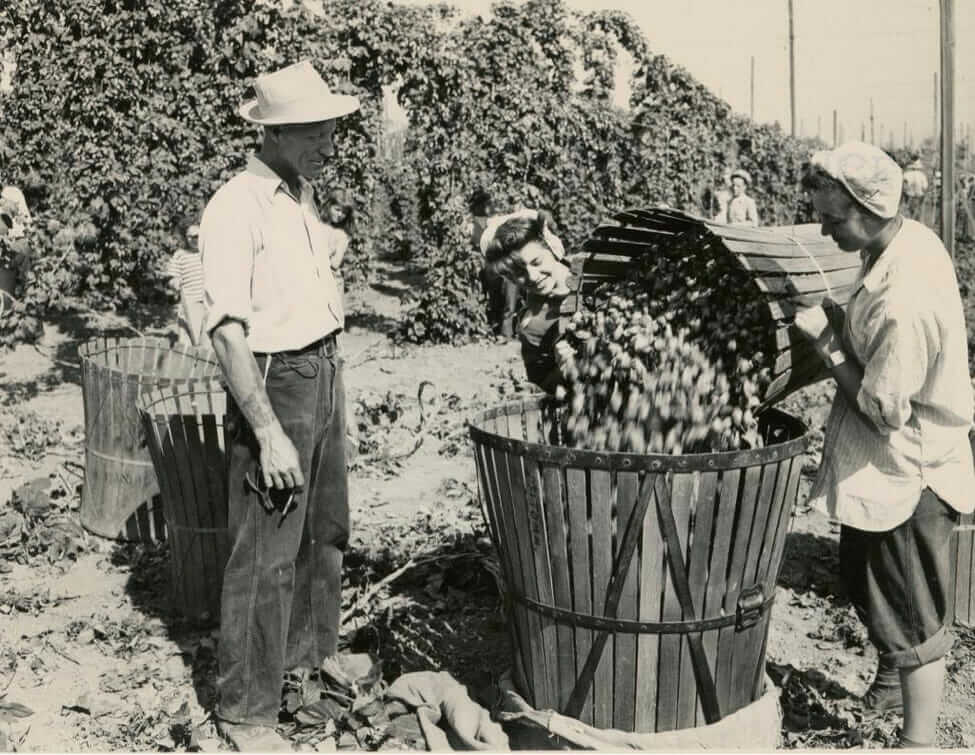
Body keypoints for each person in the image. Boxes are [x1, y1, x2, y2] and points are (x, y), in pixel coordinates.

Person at [198, 60, 359, 753]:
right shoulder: (235, 204)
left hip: (321, 369)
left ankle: (301, 674)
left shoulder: (298, 194)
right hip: (276, 381)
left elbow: (300, 279)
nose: (330, 141)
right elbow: (228, 333)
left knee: (322, 538)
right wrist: (267, 431)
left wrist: (329, 252)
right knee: (264, 553)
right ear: (278, 131)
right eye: (318, 130)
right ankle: (245, 709)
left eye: (331, 127)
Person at [795, 141, 975, 749]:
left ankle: (919, 742)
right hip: (888, 465)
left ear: (870, 210)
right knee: (870, 579)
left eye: (833, 219)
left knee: (915, 611)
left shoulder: (906, 295)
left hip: (911, 469)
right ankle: (894, 682)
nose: (823, 228)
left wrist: (829, 347)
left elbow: (882, 410)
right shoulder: (899, 241)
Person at [480, 208, 571, 392]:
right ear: (511, 279)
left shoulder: (597, 274)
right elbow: (540, 387)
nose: (533, 276)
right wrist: (564, 372)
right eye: (520, 273)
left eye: (537, 262)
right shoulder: (533, 325)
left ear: (551, 248)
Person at [469, 189, 520, 338]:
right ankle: (502, 329)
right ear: (477, 206)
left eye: (489, 203)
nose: (489, 207)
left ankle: (507, 330)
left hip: (499, 264)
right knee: (507, 284)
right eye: (486, 204)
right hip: (485, 266)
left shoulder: (494, 221)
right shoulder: (471, 225)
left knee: (512, 280)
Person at [165, 215, 208, 347]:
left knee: (207, 338)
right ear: (185, 237)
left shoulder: (208, 252)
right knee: (188, 337)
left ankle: (206, 362)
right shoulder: (180, 255)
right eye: (190, 236)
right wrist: (175, 282)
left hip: (208, 301)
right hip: (190, 302)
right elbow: (172, 277)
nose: (194, 240)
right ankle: (188, 361)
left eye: (197, 236)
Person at [322, 187, 355, 296]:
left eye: (344, 212)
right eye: (337, 209)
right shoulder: (317, 225)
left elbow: (335, 263)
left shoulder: (341, 235)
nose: (340, 214)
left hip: (331, 279)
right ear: (328, 206)